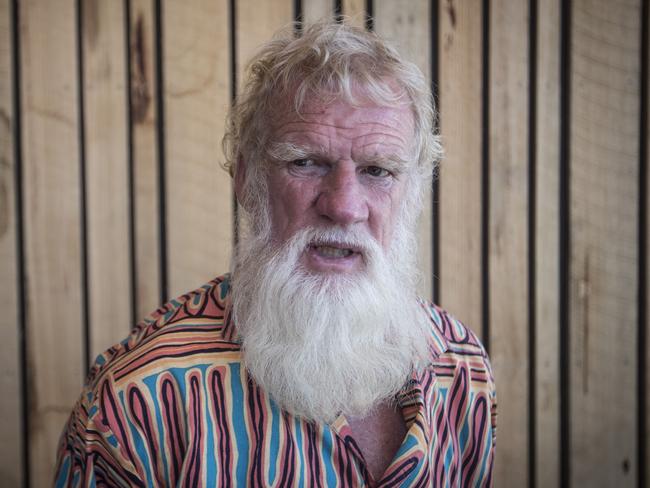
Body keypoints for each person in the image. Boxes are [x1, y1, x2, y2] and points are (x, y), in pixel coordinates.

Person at [55, 20, 496, 487]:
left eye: (378, 170)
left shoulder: (461, 368)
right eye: (305, 162)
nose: (343, 206)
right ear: (248, 179)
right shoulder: (135, 402)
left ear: (414, 192)